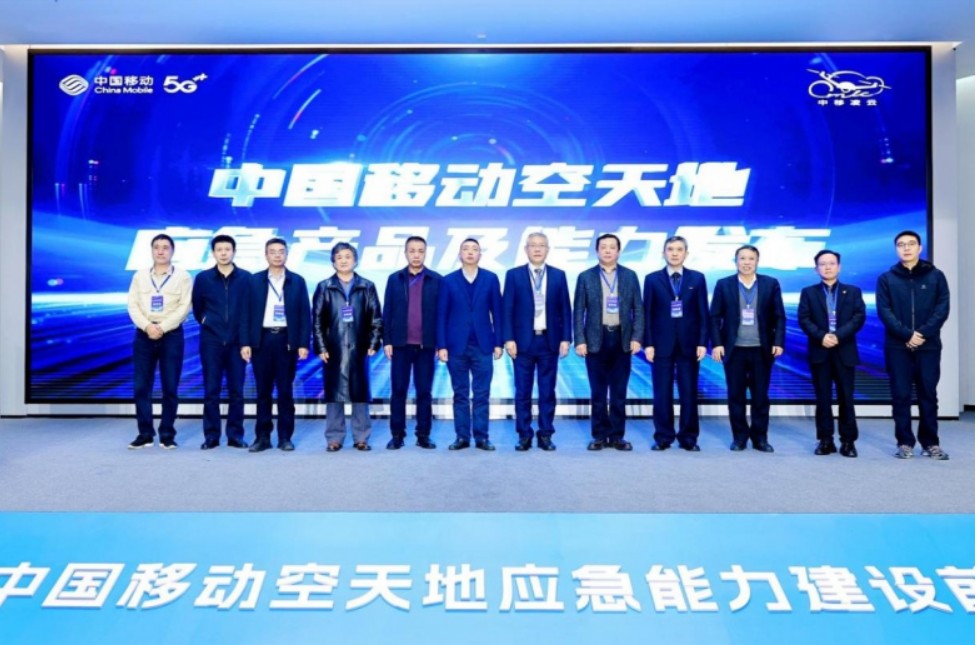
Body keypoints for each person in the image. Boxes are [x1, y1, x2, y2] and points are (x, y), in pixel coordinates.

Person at [876, 230, 951, 460]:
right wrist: (907, 335)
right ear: (896, 249)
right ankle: (904, 443)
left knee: (928, 394)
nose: (906, 248)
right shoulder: (886, 278)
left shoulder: (936, 276)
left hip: (928, 345)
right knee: (901, 395)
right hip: (897, 346)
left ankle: (931, 443)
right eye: (901, 244)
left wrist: (922, 334)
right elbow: (884, 312)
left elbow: (942, 309)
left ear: (920, 248)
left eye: (911, 244)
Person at [710, 245, 785, 453]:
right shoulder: (724, 284)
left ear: (757, 261)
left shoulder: (770, 283)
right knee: (736, 396)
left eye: (751, 258)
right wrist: (717, 344)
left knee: (761, 397)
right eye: (742, 258)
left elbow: (779, 316)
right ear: (736, 261)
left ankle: (760, 438)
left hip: (762, 349)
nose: (746, 262)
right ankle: (740, 438)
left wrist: (778, 342)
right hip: (734, 350)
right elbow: (714, 317)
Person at [502, 232, 572, 451]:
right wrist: (508, 338)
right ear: (526, 249)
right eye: (533, 245)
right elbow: (507, 310)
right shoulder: (514, 275)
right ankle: (524, 434)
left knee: (547, 392)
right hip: (522, 342)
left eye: (542, 245)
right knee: (522, 391)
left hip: (549, 342)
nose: (537, 249)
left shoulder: (558, 275)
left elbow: (565, 309)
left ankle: (545, 434)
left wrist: (566, 338)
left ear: (548, 249)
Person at [573, 233, 643, 451]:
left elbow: (638, 309)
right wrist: (580, 340)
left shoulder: (630, 276)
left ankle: (617, 436)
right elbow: (578, 311)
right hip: (595, 340)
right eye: (603, 247)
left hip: (622, 340)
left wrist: (637, 337)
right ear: (597, 251)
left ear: (619, 251)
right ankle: (599, 436)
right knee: (598, 393)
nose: (608, 250)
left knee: (619, 393)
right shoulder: (585, 276)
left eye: (612, 247)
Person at [240, 238, 310, 453]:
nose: (277, 255)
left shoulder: (297, 281)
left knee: (285, 391)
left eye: (281, 251)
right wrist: (245, 342)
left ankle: (285, 437)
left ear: (286, 254)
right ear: (266, 255)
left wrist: (303, 343)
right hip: (261, 340)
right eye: (273, 251)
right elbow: (245, 313)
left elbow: (304, 314)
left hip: (286, 340)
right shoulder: (254, 280)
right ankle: (262, 437)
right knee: (263, 392)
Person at [312, 242, 383, 452]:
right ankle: (334, 437)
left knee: (360, 394)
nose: (343, 260)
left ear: (355, 260)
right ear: (333, 262)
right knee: (335, 395)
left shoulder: (366, 286)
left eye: (348, 256)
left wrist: (373, 342)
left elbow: (376, 318)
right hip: (333, 348)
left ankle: (361, 437)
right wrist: (321, 347)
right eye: (339, 257)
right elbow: (317, 320)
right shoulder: (324, 286)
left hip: (359, 347)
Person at [642, 235, 709, 452]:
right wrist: (648, 343)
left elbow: (703, 313)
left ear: (686, 253)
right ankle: (663, 437)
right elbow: (647, 313)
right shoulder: (652, 279)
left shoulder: (697, 278)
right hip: (661, 344)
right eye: (670, 249)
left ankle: (689, 438)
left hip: (690, 344)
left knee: (689, 393)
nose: (674, 253)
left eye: (679, 249)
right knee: (662, 393)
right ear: (663, 253)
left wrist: (702, 342)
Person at [126, 233, 192, 449]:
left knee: (170, 387)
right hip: (144, 335)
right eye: (157, 247)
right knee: (141, 387)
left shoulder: (183, 277)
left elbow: (184, 307)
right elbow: (133, 305)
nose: (161, 251)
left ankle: (167, 434)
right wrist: (147, 326)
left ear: (172, 251)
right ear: (152, 251)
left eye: (165, 247)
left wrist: (162, 327)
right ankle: (145, 434)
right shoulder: (140, 276)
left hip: (171, 335)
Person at [797, 250, 866, 457]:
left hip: (844, 350)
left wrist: (837, 336)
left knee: (846, 398)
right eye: (822, 264)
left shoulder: (852, 291)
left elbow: (858, 317)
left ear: (839, 267)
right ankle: (825, 440)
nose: (827, 267)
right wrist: (822, 336)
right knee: (823, 398)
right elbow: (804, 319)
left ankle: (848, 441)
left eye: (832, 263)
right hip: (820, 350)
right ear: (816, 269)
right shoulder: (808, 292)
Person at [437, 238, 503, 451]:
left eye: (475, 249)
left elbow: (498, 313)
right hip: (455, 346)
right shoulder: (448, 281)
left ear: (480, 254)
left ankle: (482, 437)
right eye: (466, 249)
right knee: (460, 394)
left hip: (483, 346)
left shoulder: (491, 279)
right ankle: (462, 437)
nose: (470, 252)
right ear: (460, 254)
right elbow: (441, 315)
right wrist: (441, 345)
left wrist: (499, 342)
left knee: (482, 393)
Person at [191, 234, 252, 450]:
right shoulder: (203, 278)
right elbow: (197, 308)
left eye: (227, 249)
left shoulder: (246, 278)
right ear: (213, 253)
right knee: (211, 391)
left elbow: (250, 310)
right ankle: (211, 436)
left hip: (237, 343)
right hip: (211, 342)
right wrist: (207, 321)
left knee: (236, 391)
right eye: (219, 250)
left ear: (234, 252)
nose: (224, 253)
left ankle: (235, 435)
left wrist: (245, 341)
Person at [382, 236, 441, 450]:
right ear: (406, 253)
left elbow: (441, 314)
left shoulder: (436, 279)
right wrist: (387, 340)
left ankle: (423, 435)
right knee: (399, 391)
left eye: (420, 251)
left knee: (424, 392)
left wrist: (440, 343)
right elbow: (387, 311)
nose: (416, 255)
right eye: (412, 251)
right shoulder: (394, 279)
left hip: (426, 346)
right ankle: (397, 435)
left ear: (425, 253)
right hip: (400, 345)